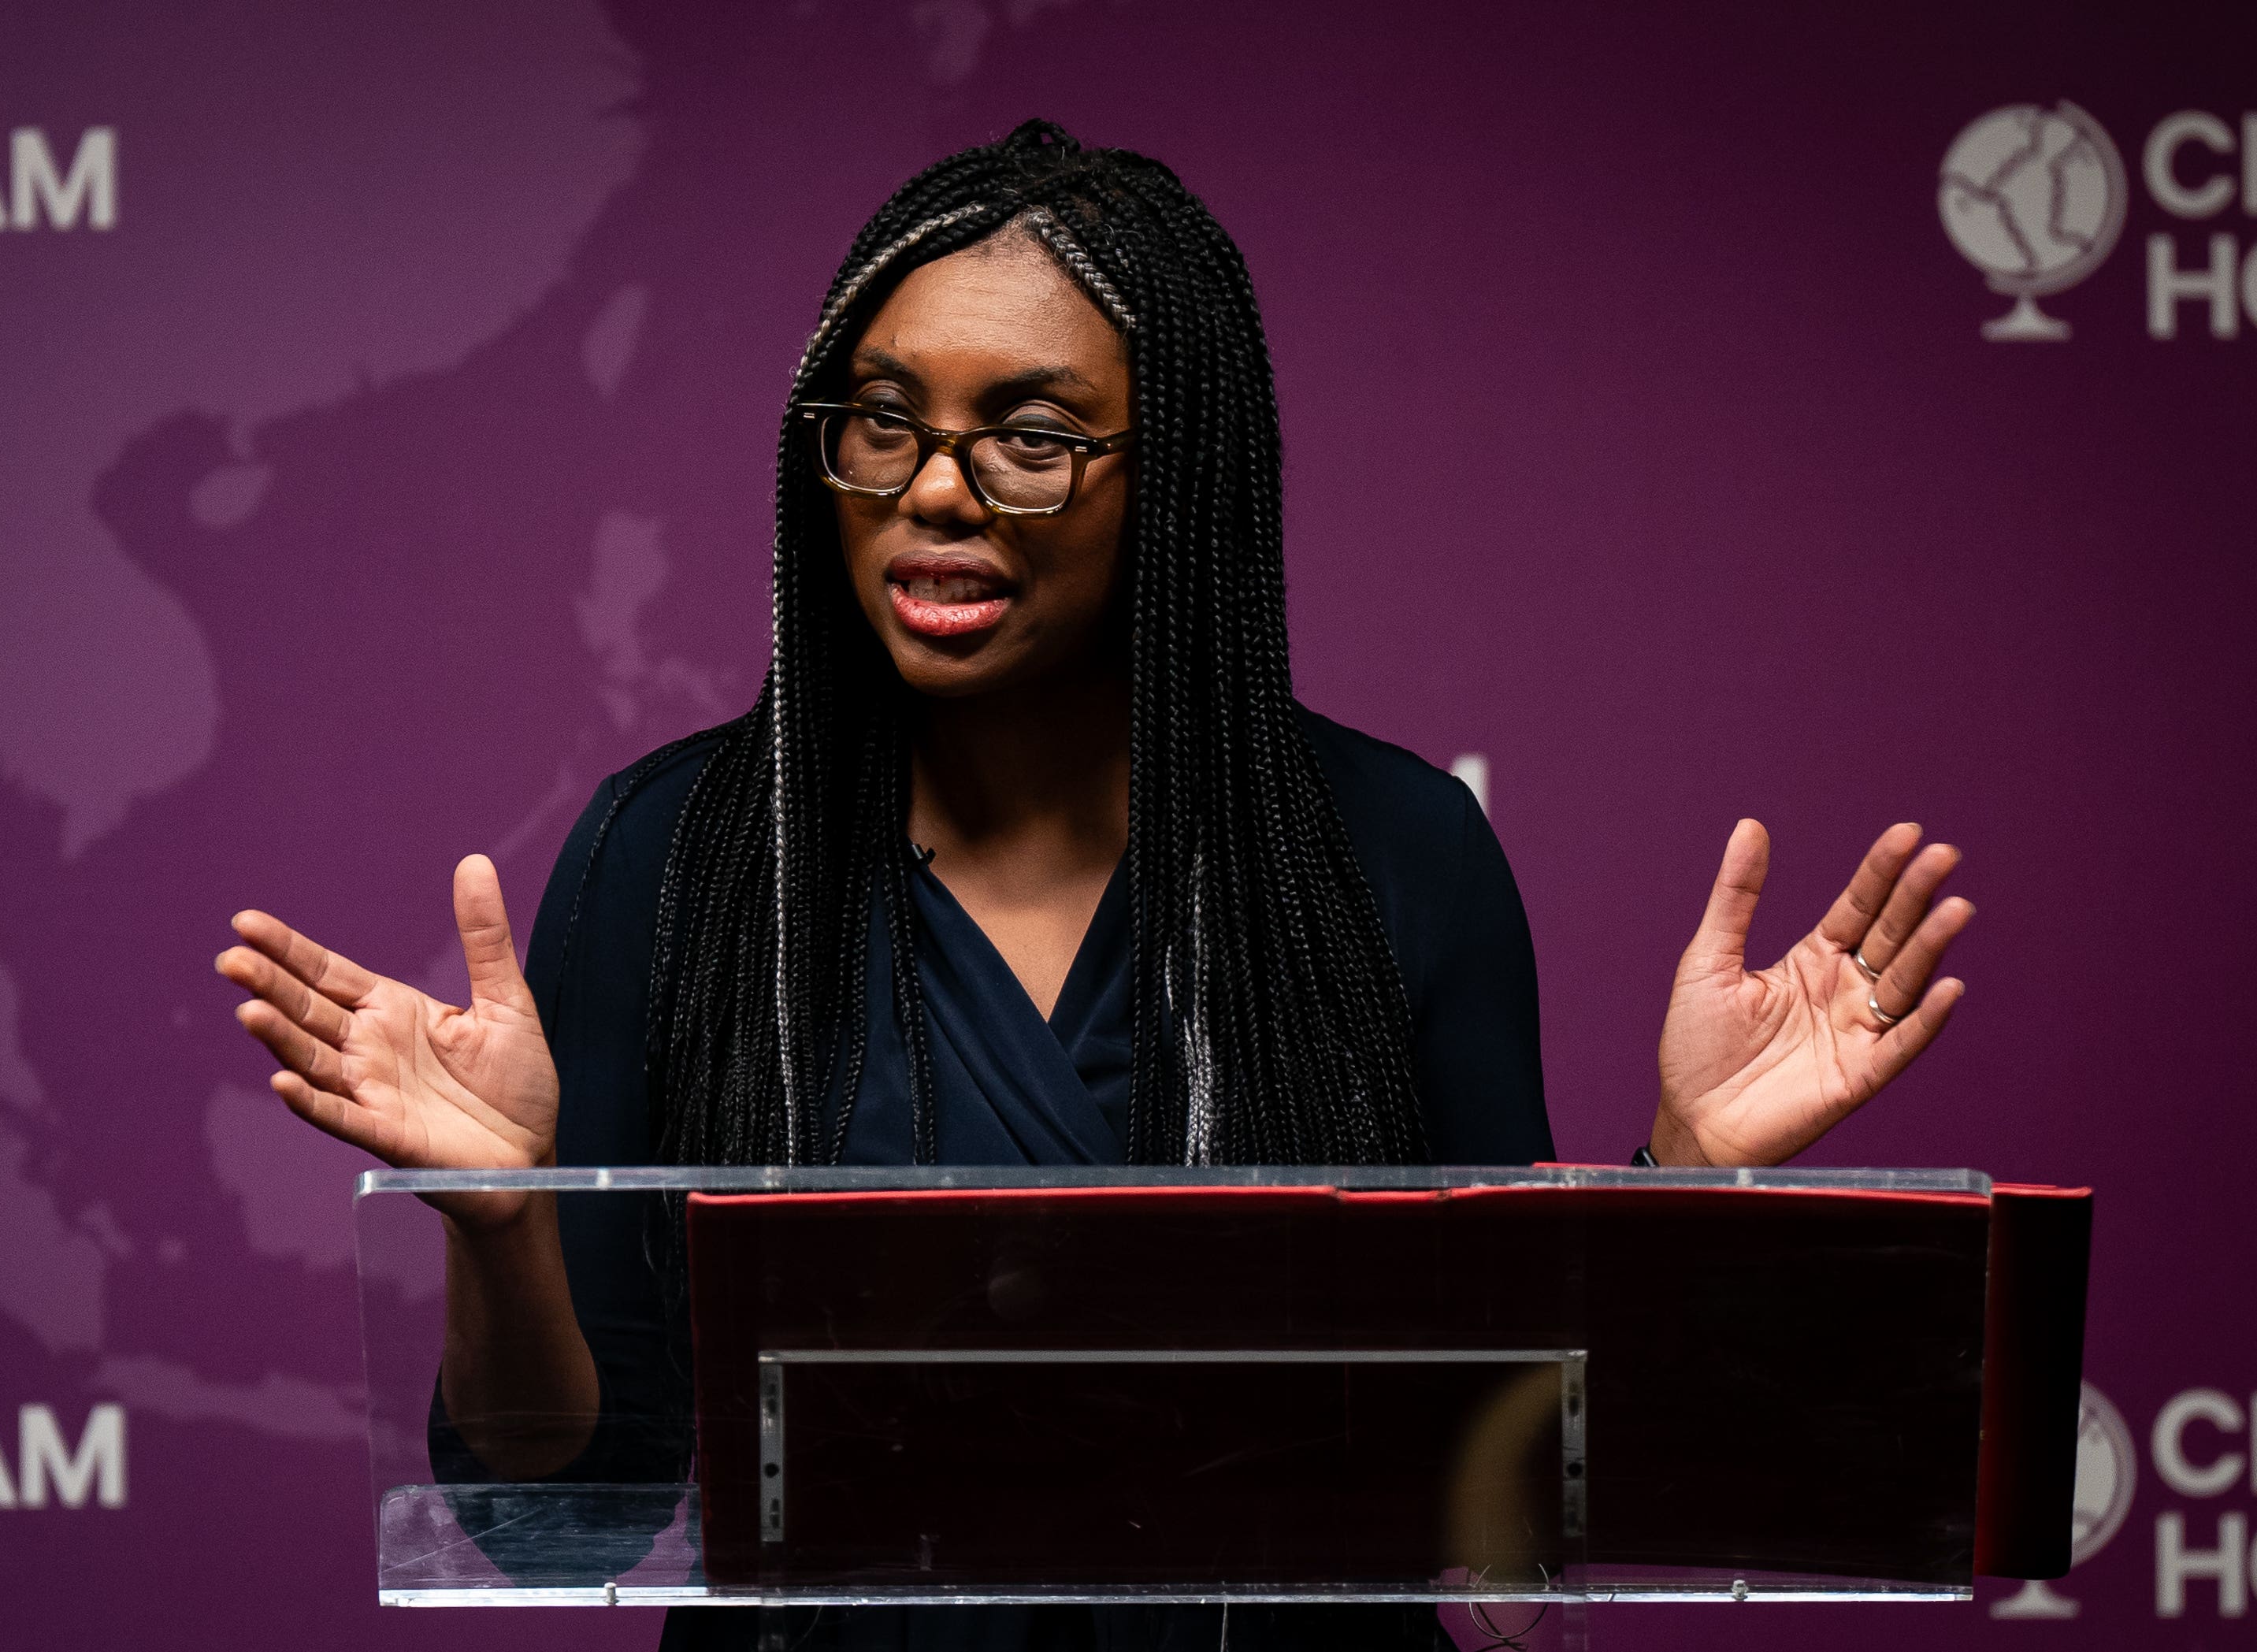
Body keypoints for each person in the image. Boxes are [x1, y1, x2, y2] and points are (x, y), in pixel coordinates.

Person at [215, 121, 1972, 1650]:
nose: (937, 495)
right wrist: (507, 1228)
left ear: (1181, 477)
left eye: (1034, 433)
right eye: (880, 425)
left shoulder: (1393, 854)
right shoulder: (676, 860)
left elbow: (1501, 1506)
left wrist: (1687, 1192)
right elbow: (557, 1524)